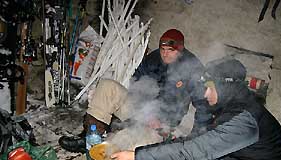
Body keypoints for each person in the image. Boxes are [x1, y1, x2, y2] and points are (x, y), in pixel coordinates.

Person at [108, 58, 281, 160]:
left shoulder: (244, 119)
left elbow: (198, 150)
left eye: (208, 87)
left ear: (224, 87)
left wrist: (137, 157)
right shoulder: (233, 107)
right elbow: (202, 139)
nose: (204, 93)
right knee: (200, 157)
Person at [59, 29, 211, 152]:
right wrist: (145, 111)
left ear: (180, 50)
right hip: (141, 108)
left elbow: (204, 104)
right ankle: (89, 138)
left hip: (162, 123)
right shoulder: (154, 58)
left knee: (129, 145)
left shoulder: (192, 67)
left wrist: (196, 139)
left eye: (170, 50)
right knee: (107, 86)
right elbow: (136, 81)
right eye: (162, 49)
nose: (165, 54)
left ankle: (105, 146)